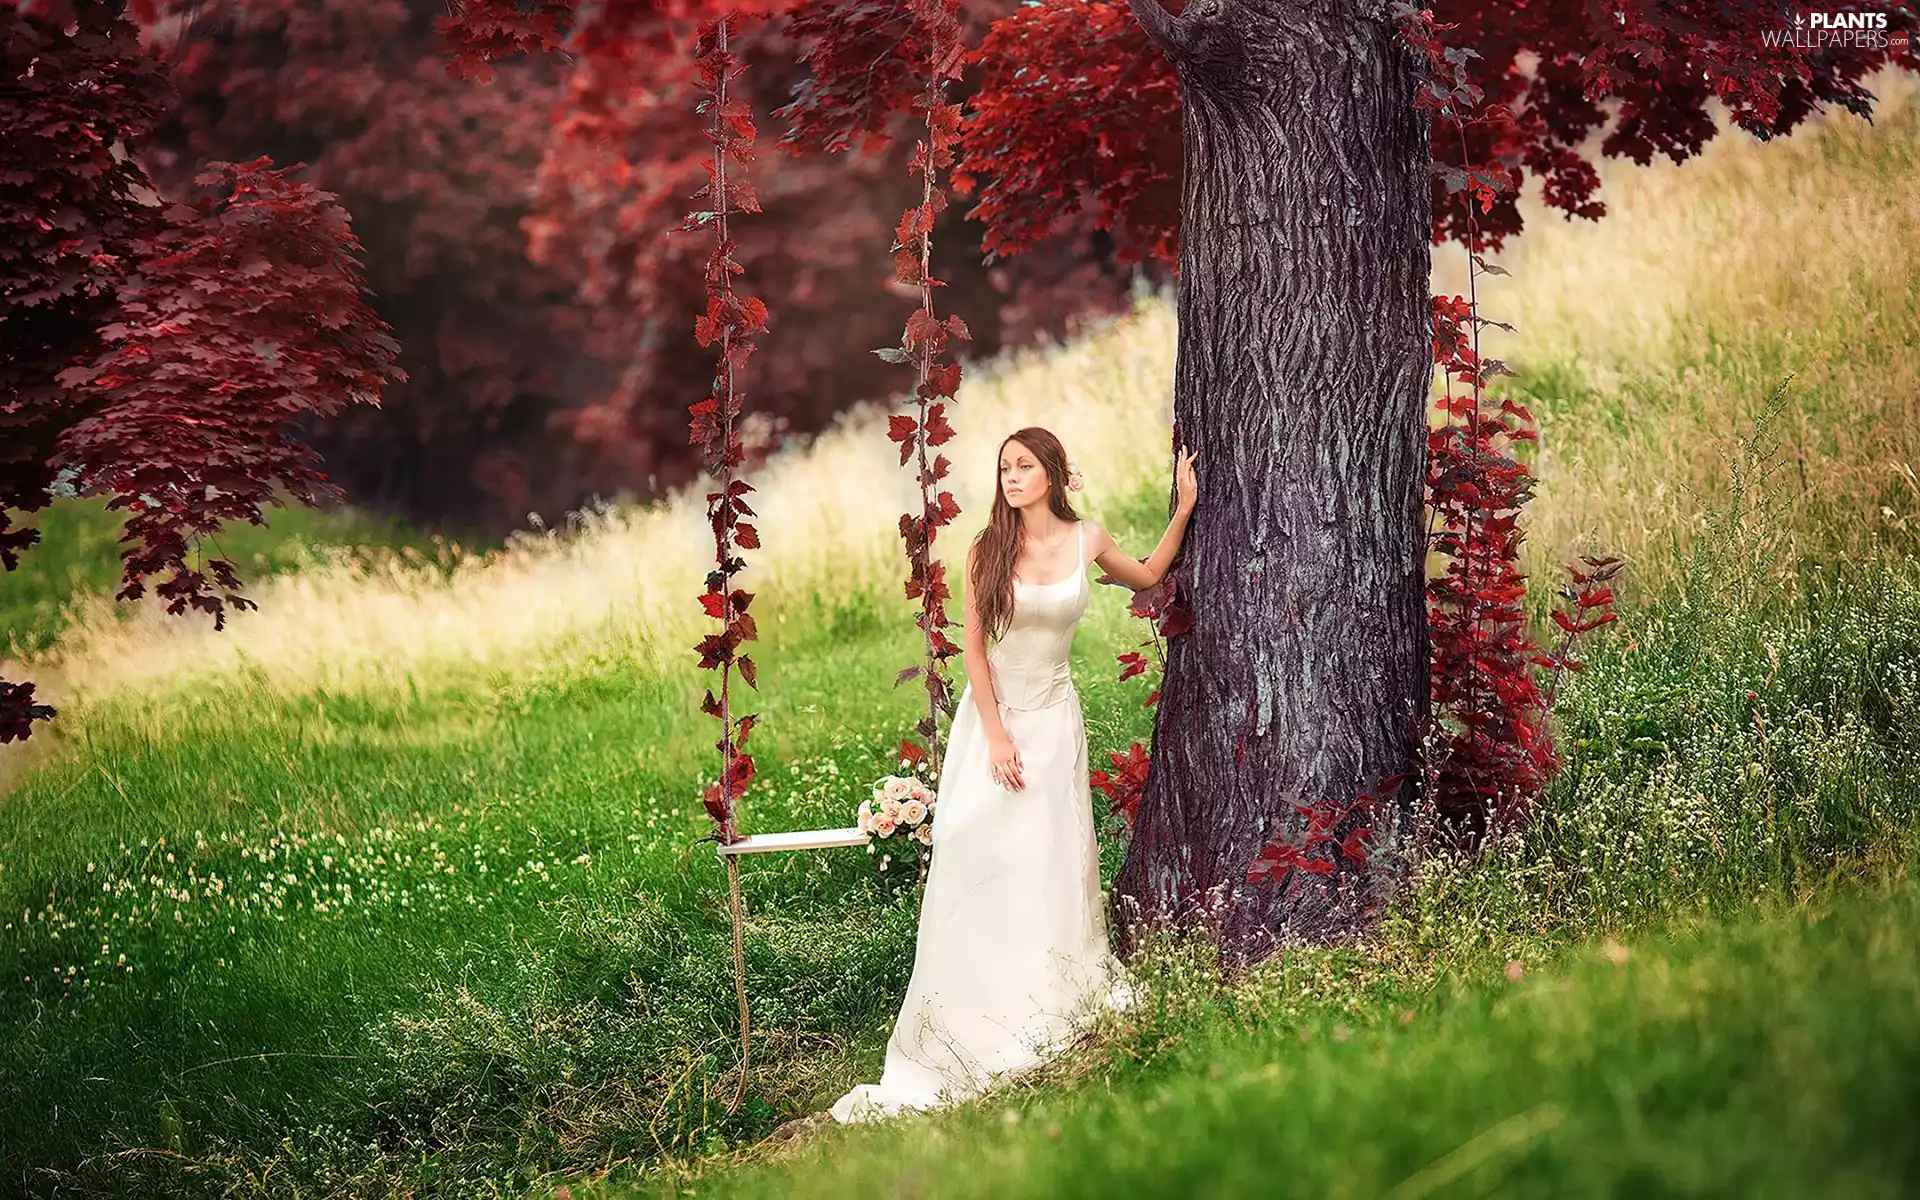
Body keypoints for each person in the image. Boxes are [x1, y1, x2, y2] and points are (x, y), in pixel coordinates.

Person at [830, 426, 1200, 1123]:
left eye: (1024, 465)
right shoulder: (986, 548)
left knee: (1048, 859)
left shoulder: (1088, 537)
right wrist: (997, 737)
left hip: (1055, 719)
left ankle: (1046, 997)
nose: (1011, 476)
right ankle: (967, 1018)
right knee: (978, 856)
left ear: (1054, 472)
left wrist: (1183, 510)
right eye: (1004, 467)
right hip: (994, 724)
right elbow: (972, 649)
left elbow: (1149, 576)